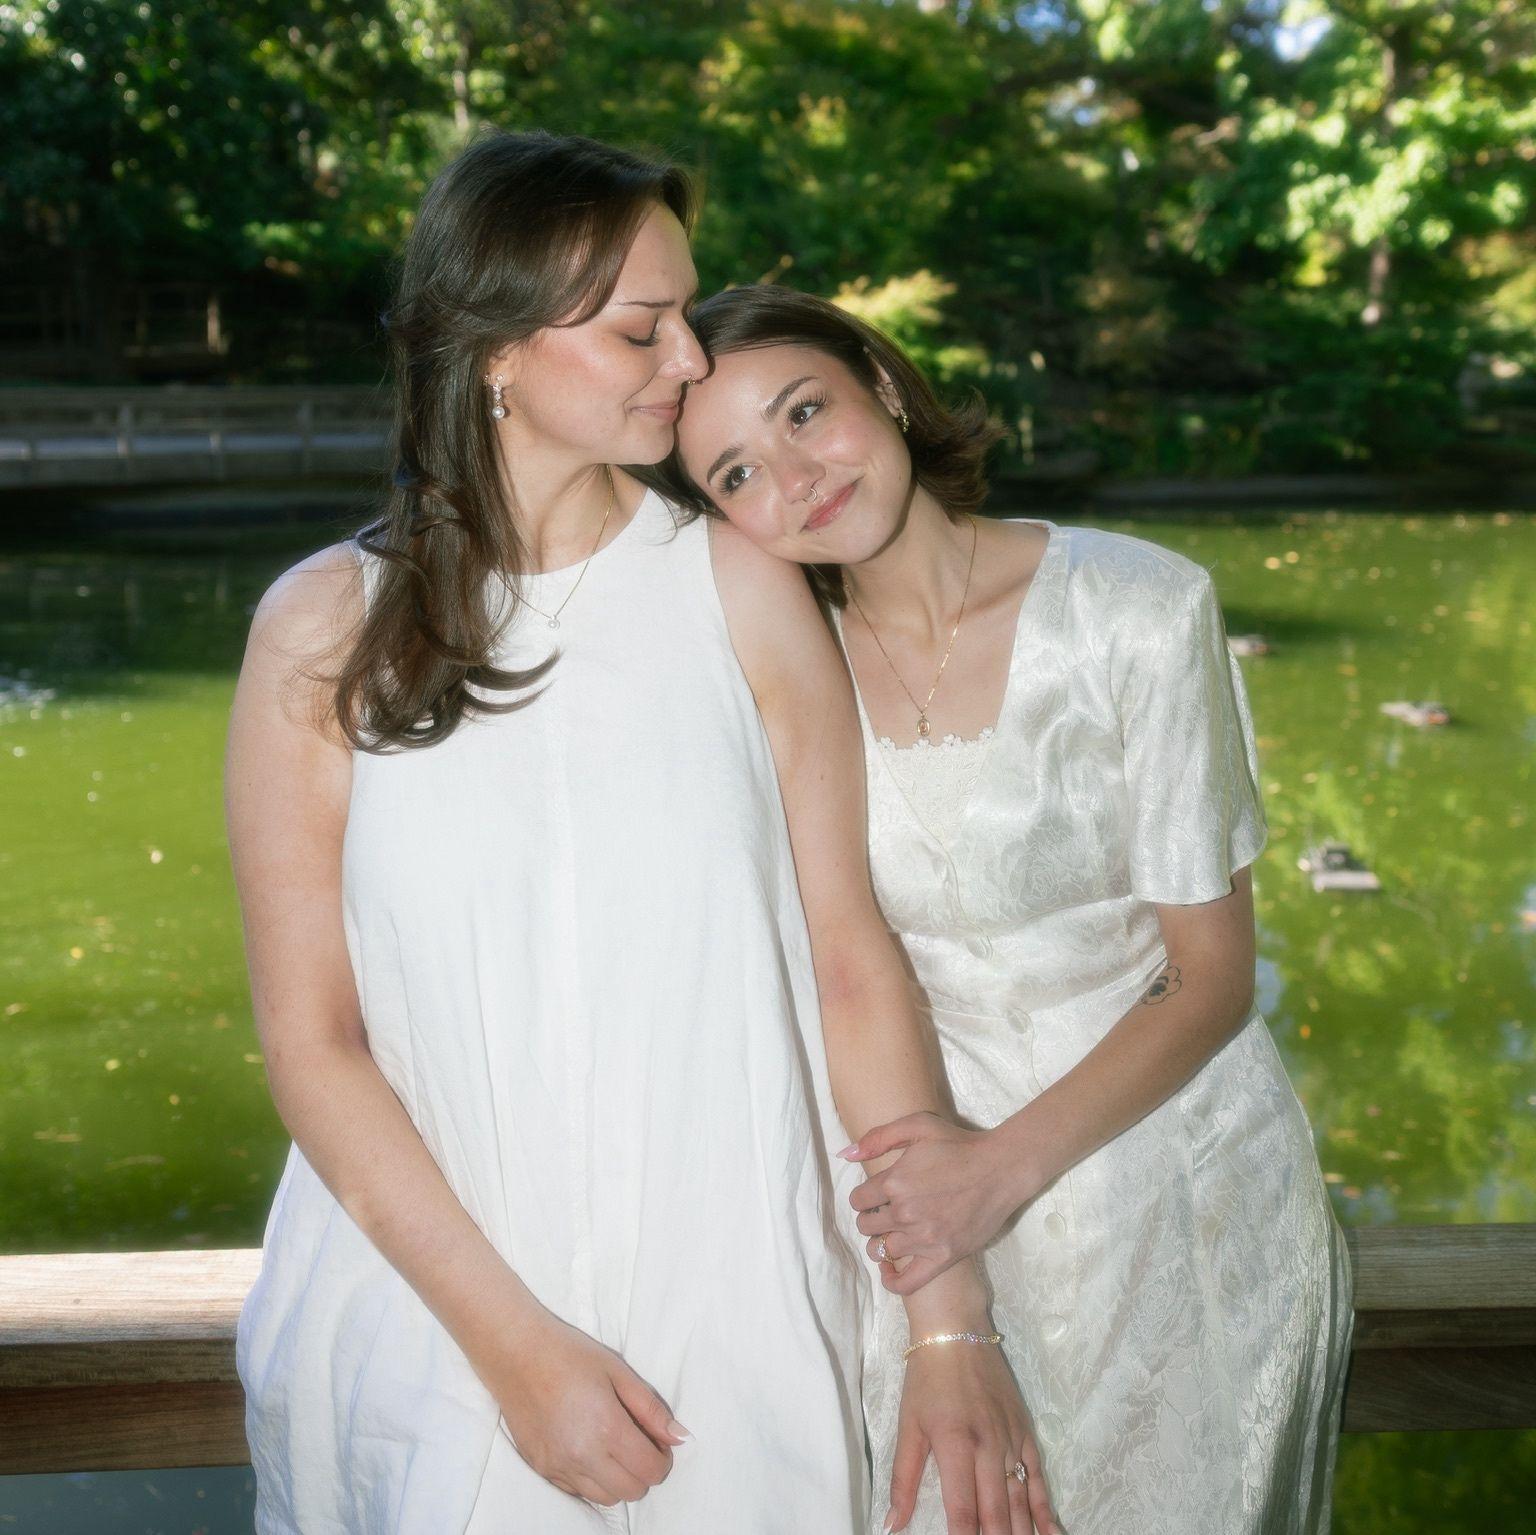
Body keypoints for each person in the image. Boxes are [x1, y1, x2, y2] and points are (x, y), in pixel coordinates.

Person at [227, 132, 1055, 1535]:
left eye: (684, 311)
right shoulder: (321, 630)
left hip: (733, 1317)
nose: (689, 356)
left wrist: (947, 1323)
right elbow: (315, 1041)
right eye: (639, 327)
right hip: (433, 1330)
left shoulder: (741, 583)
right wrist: (514, 1349)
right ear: (495, 349)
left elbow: (849, 965)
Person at [663, 284, 1354, 1534]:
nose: (798, 478)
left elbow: (1210, 974)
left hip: (1170, 1172)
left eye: (805, 411)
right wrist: (948, 1214)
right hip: (916, 1191)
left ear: (882, 384)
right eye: (738, 473)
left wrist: (998, 1168)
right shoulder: (773, 667)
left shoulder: (1137, 605)